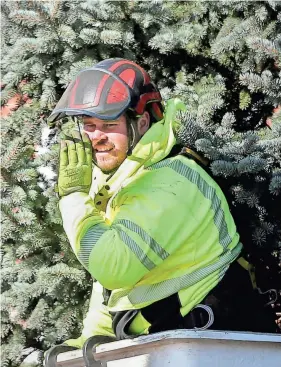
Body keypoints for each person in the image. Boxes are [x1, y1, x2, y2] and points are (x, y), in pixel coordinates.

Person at [48, 58, 276, 349]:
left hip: (214, 343)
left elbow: (113, 266)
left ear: (142, 122)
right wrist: (95, 335)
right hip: (170, 339)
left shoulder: (170, 182)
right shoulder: (123, 179)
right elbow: (108, 283)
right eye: (89, 125)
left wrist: (72, 197)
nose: (96, 137)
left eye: (108, 124)